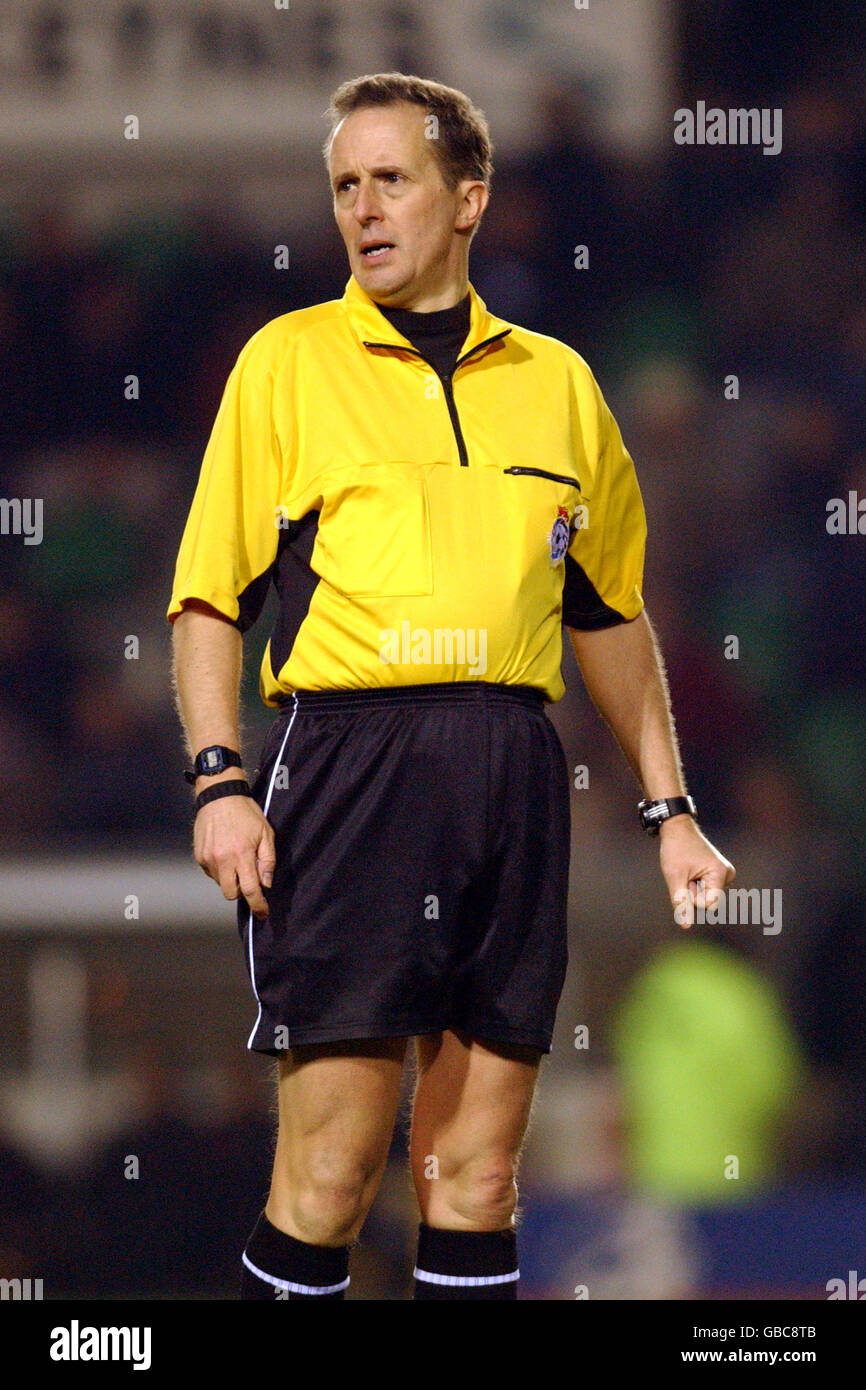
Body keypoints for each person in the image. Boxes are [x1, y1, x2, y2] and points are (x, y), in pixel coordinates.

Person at [168, 72, 735, 1301]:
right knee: (328, 1172)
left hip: (512, 769)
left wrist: (670, 809)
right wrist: (219, 779)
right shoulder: (285, 365)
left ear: (468, 196)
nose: (361, 210)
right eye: (342, 187)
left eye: (391, 180)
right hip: (349, 767)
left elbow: (608, 615)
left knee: (474, 1177)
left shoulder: (561, 384)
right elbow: (211, 597)